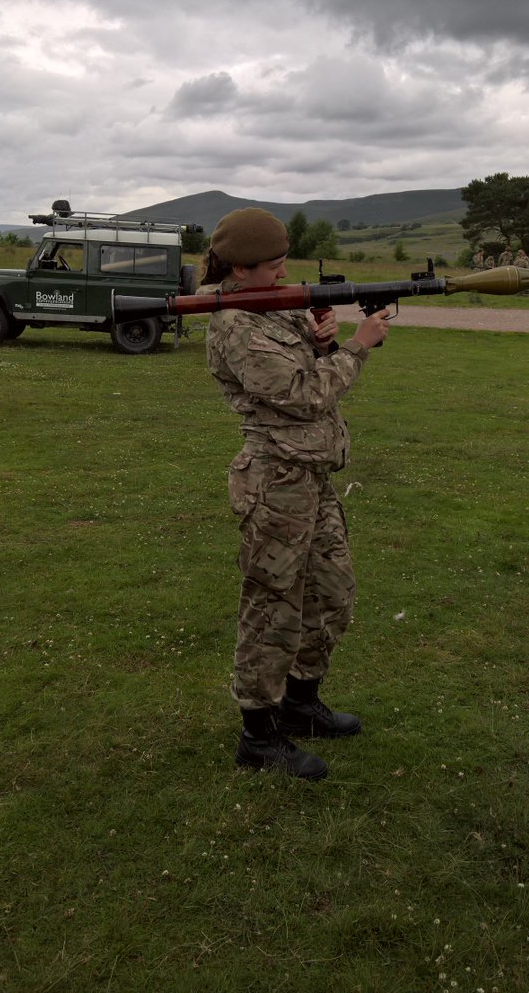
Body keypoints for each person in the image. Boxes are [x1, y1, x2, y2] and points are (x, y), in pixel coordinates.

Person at [199, 207, 391, 780]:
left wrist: (325, 342)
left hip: (313, 476)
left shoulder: (272, 306)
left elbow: (311, 370)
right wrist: (358, 347)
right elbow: (303, 395)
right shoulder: (233, 323)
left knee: (332, 593)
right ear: (239, 267)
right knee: (273, 608)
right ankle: (258, 736)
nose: (283, 273)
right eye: (273, 265)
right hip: (276, 482)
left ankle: (301, 706)